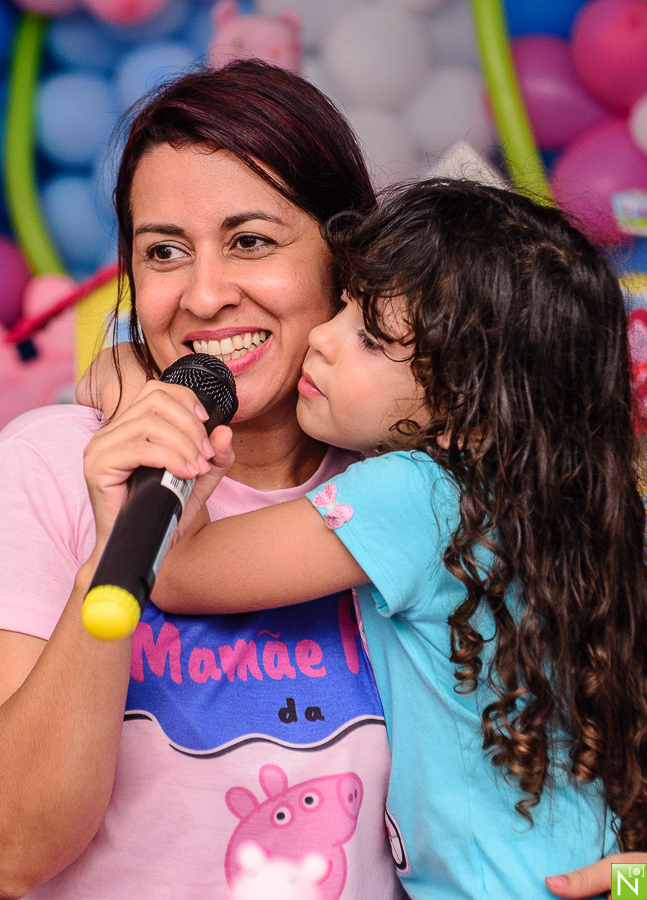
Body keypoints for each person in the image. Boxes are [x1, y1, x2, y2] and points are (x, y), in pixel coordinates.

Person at [141, 179, 647, 900]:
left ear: (470, 412)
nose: (321, 336)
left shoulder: (417, 495)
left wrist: (162, 397)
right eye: (345, 306)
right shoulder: (564, 513)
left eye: (370, 339)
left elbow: (179, 572)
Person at [0, 60, 406, 899]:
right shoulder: (48, 462)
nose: (205, 295)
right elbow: (7, 854)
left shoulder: (408, 493)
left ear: (345, 259)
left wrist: (636, 879)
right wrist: (116, 536)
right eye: (165, 251)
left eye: (251, 241)